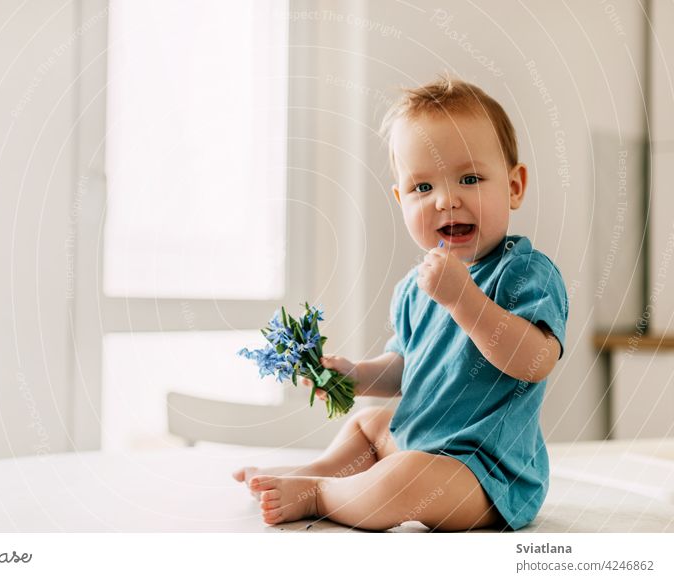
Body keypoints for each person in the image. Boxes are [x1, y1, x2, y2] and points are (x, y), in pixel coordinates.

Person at [232, 75, 569, 532]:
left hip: (484, 472)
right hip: (420, 441)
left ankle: (320, 494)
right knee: (368, 426)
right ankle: (312, 473)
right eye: (422, 188)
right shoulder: (416, 287)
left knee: (404, 480)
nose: (446, 200)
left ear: (513, 186)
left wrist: (464, 300)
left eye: (469, 178)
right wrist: (354, 374)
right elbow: (405, 367)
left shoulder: (525, 273)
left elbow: (535, 360)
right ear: (400, 199)